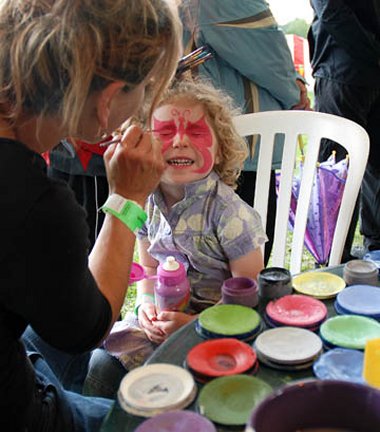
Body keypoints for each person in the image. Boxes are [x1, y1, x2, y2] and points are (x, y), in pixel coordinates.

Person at [0, 0, 181, 430]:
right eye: (145, 87)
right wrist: (127, 200)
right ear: (110, 97)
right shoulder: (32, 201)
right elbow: (87, 328)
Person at [84, 78, 267, 398]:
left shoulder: (231, 216)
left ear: (221, 145)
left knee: (188, 393)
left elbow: (249, 300)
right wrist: (146, 305)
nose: (180, 141)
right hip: (159, 328)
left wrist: (192, 324)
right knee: (100, 367)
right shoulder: (145, 202)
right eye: (165, 133)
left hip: (219, 331)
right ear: (142, 145)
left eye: (196, 132)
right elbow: (150, 270)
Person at [179, 0, 311, 264]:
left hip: (212, 140)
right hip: (241, 146)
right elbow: (264, 55)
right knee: (248, 251)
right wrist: (295, 89)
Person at [308, 0, 380, 260]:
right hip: (351, 68)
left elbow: (330, 10)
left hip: (344, 69)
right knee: (339, 170)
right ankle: (337, 256)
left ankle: (338, 258)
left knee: (336, 169)